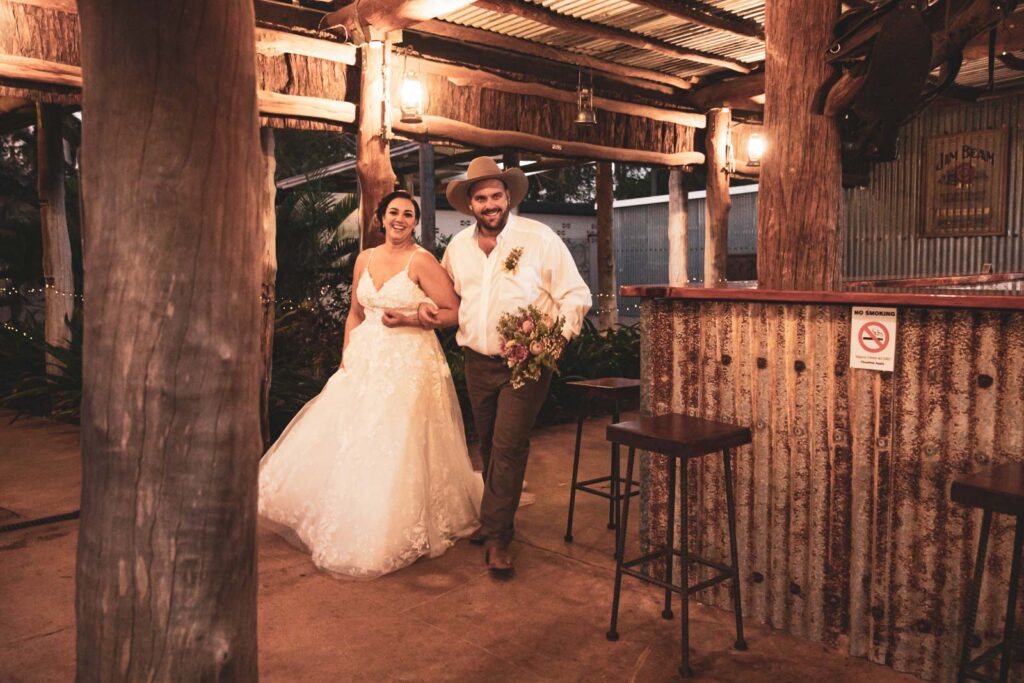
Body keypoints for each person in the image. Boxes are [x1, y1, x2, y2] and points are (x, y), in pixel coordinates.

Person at [258, 190, 482, 578]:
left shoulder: (422, 261)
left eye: (408, 214)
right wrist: (348, 351)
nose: (400, 219)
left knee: (395, 441)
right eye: (393, 212)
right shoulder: (365, 257)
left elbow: (452, 313)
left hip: (409, 361)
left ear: (415, 222)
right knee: (352, 437)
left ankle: (388, 526)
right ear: (380, 218)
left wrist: (412, 319)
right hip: (366, 359)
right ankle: (346, 512)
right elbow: (356, 312)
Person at [420, 157, 592, 576]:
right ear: (471, 206)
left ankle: (498, 537)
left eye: (496, 195)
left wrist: (554, 339)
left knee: (510, 445)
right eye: (481, 198)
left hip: (527, 365)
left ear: (508, 197)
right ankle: (493, 517)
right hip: (477, 361)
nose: (489, 203)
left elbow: (575, 294)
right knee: (492, 444)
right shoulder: (458, 249)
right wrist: (424, 307)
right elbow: (447, 299)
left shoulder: (539, 238)